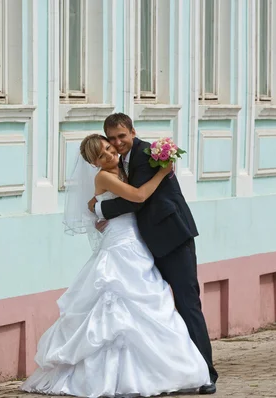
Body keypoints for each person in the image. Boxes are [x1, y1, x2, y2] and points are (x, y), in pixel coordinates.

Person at [20, 134, 210, 398]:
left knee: (150, 306)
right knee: (115, 308)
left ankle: (162, 372)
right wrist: (162, 173)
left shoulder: (124, 168)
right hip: (120, 245)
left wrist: (98, 208)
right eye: (101, 155)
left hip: (136, 241)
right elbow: (139, 195)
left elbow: (111, 203)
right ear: (93, 163)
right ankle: (112, 377)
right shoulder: (104, 177)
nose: (109, 155)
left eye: (110, 148)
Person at [89, 113, 218, 394]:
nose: (117, 143)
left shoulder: (148, 155)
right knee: (155, 310)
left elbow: (137, 199)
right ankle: (168, 371)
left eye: (121, 136)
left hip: (172, 239)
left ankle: (206, 373)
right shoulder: (121, 161)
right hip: (144, 244)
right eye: (111, 139)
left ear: (133, 132)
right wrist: (96, 203)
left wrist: (101, 209)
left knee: (186, 303)